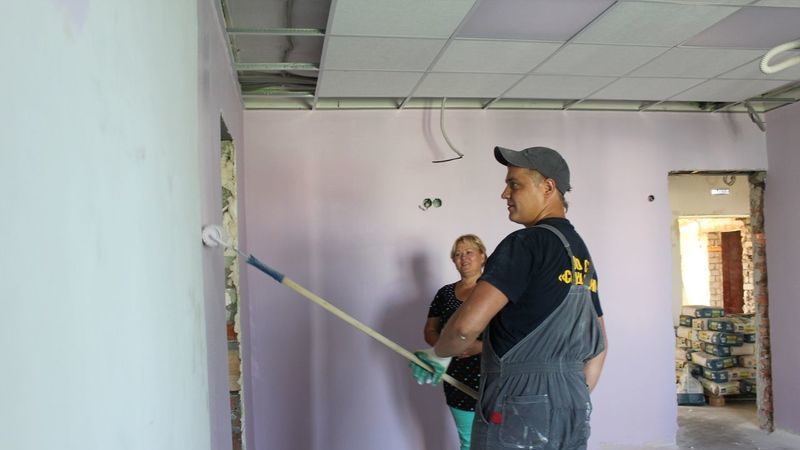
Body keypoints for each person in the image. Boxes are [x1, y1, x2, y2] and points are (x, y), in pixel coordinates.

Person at [411, 146, 607, 450]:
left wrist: (438, 354)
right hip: (573, 403)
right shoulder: (579, 253)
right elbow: (599, 346)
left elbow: (464, 327)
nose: (505, 194)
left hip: (519, 399)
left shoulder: (525, 243)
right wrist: (565, 397)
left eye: (514, 184)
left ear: (548, 188)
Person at [419, 234, 487, 450]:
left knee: (497, 439)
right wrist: (446, 347)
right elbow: (430, 330)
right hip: (456, 378)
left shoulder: (494, 291)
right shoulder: (445, 293)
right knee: (468, 441)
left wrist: (480, 347)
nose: (463, 258)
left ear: (483, 256)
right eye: (458, 254)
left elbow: (513, 335)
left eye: (469, 252)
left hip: (493, 377)